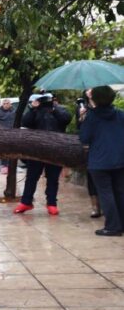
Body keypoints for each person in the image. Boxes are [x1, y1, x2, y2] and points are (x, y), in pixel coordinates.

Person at [13, 93, 71, 215]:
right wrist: (33, 108)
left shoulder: (60, 110)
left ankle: (51, 203)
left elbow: (66, 119)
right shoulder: (36, 111)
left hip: (56, 150)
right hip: (37, 151)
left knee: (53, 178)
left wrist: (54, 109)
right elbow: (25, 122)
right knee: (31, 177)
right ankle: (26, 202)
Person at [79, 86, 124, 236]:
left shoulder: (91, 117)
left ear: (95, 99)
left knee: (106, 193)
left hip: (99, 161)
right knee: (120, 192)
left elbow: (84, 138)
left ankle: (112, 227)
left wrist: (83, 118)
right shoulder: (120, 115)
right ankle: (121, 224)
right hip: (120, 159)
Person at [77, 89, 102, 218]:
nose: (90, 92)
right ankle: (95, 207)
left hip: (104, 148)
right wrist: (82, 117)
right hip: (90, 149)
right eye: (87, 90)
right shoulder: (84, 108)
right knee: (92, 178)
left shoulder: (106, 109)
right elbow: (82, 131)